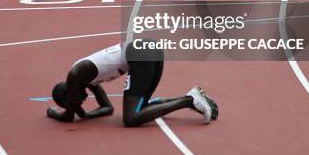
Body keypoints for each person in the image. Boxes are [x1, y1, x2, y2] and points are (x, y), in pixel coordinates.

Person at [47, 40, 218, 126]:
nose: (79, 104)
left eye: (73, 102)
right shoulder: (87, 80)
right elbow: (107, 108)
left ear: (69, 92)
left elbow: (68, 117)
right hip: (148, 49)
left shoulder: (75, 73)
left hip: (140, 53)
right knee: (141, 108)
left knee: (131, 118)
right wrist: (85, 115)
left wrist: (54, 113)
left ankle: (190, 100)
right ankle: (196, 99)